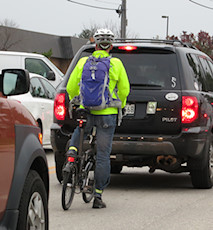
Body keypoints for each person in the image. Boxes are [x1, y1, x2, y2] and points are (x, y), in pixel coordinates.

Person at [66, 28, 130, 209]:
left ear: (95, 44)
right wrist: (121, 104)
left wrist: (76, 101)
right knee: (103, 156)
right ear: (111, 45)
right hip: (107, 114)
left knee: (80, 130)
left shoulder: (83, 62)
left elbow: (71, 86)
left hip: (85, 110)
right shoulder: (116, 63)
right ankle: (98, 195)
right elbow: (125, 89)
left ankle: (71, 154)